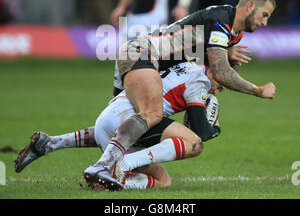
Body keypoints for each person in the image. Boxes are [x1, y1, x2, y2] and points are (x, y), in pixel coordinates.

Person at [86, 0, 276, 190]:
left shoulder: (230, 31)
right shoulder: (220, 20)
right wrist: (258, 90)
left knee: (121, 120)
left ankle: (52, 144)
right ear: (249, 6)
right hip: (142, 53)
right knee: (151, 114)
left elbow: (192, 49)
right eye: (264, 15)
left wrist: (224, 52)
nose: (265, 23)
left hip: (141, 56)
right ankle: (104, 166)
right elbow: (221, 72)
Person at [14, 61, 223, 190]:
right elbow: (200, 134)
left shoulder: (184, 66)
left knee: (125, 131)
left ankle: (52, 143)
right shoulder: (200, 80)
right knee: (174, 166)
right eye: (222, 85)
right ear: (215, 71)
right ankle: (119, 169)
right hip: (130, 120)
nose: (219, 90)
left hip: (109, 115)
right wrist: (214, 127)